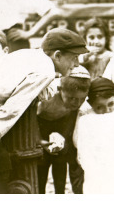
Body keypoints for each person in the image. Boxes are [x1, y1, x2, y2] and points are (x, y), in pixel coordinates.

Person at [0, 27, 88, 194]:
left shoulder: (34, 56)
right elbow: (13, 108)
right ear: (57, 56)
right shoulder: (45, 70)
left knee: (1, 165)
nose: (77, 64)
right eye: (74, 58)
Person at [37, 66, 91, 194]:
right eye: (71, 98)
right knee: (42, 166)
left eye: (81, 99)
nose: (76, 103)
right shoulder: (47, 97)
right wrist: (39, 140)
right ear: (60, 90)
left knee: (60, 162)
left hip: (63, 126)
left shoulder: (79, 103)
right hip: (42, 126)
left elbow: (74, 119)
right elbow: (32, 119)